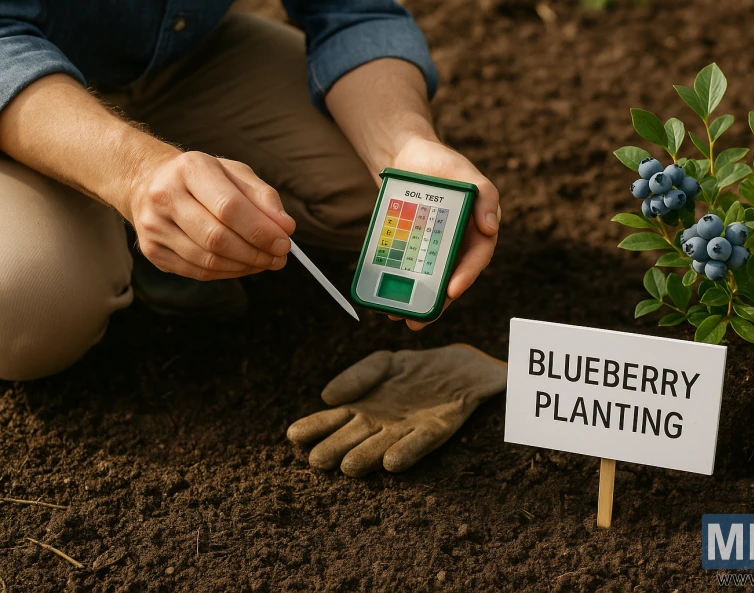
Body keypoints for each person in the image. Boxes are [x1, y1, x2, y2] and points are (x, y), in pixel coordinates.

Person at [0, 2, 501, 382]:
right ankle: (117, 225)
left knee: (389, 202)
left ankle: (164, 205)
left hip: (182, 58)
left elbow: (351, 8)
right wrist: (133, 171)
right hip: (23, 93)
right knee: (30, 305)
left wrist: (402, 143)